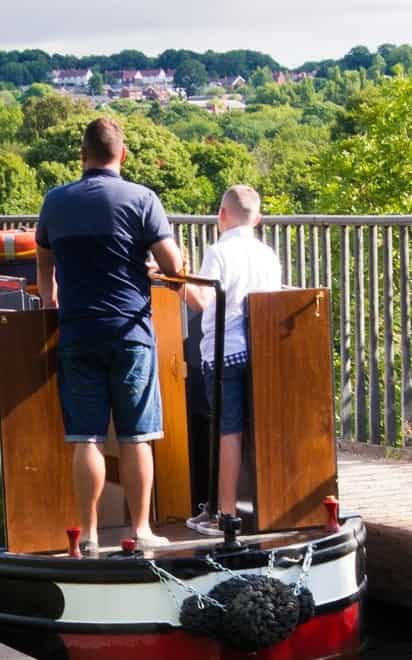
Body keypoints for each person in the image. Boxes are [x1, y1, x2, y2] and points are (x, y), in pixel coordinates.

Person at [35, 117, 186, 555]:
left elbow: (43, 260)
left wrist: (50, 300)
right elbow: (173, 266)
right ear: (121, 155)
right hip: (130, 332)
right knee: (137, 434)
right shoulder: (142, 199)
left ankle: (90, 535)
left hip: (78, 330)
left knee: (86, 437)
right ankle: (141, 530)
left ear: (82, 156)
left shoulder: (55, 202)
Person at [183, 185, 281, 536]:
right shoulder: (268, 255)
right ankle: (269, 505)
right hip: (262, 352)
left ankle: (224, 515)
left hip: (224, 353)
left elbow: (202, 301)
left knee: (228, 432)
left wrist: (178, 280)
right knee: (259, 431)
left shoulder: (218, 251)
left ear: (221, 216)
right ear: (258, 219)